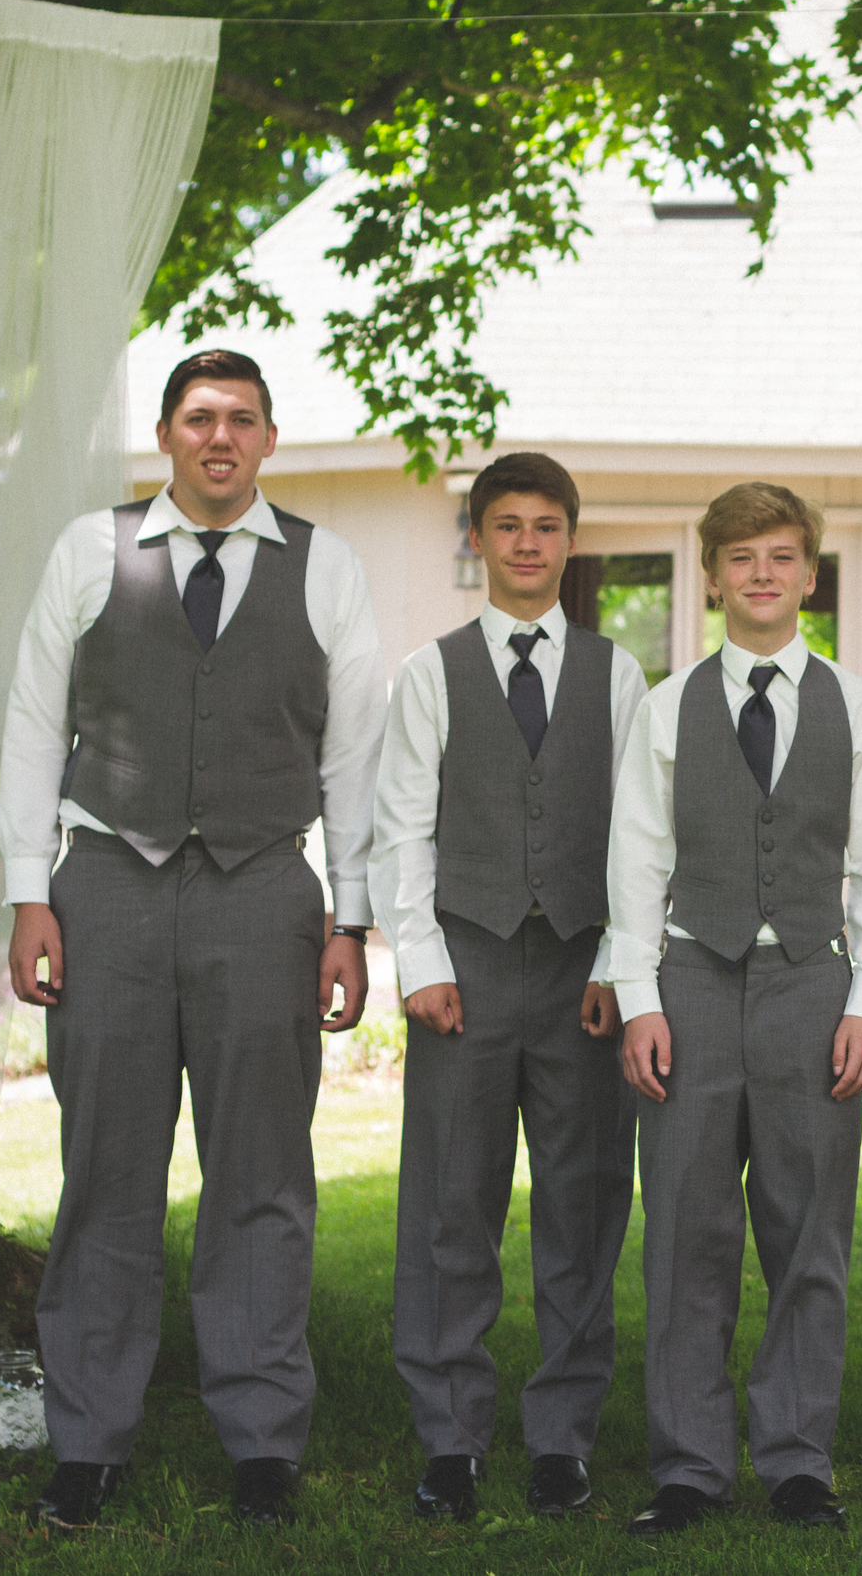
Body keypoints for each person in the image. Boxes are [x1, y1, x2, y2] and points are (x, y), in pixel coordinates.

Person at [0, 348, 385, 1530]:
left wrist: (350, 916)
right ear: (166, 435)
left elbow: (353, 753)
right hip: (107, 882)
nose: (221, 437)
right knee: (106, 1170)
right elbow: (31, 718)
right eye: (199, 417)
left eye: (243, 420)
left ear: (269, 440)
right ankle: (88, 1439)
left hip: (267, 891)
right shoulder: (88, 550)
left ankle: (263, 1438)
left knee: (261, 1176)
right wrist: (30, 892)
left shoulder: (327, 567)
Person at [608, 483, 862, 1538]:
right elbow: (637, 864)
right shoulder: (665, 704)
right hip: (688, 980)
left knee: (807, 1229)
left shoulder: (856, 706)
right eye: (742, 558)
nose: (763, 574)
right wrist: (638, 997)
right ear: (713, 573)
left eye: (782, 556)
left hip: (810, 986)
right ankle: (688, 1464)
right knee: (686, 1227)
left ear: (810, 574)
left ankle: (795, 1458)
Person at [368, 452, 646, 1524]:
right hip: (467, 968)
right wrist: (423, 964)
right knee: (450, 1206)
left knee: (582, 1207)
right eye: (508, 524)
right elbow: (405, 827)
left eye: (546, 525)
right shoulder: (430, 672)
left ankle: (562, 1437)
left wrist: (623, 963)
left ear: (570, 542)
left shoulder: (615, 674)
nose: (528, 542)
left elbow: (637, 837)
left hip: (581, 971)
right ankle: (449, 1436)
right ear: (477, 539)